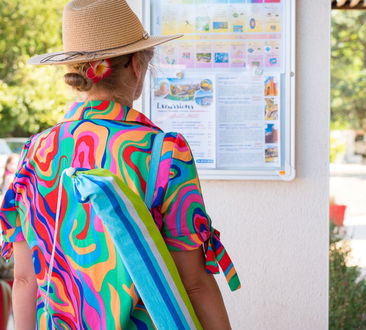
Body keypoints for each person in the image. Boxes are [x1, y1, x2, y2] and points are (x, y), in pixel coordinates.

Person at [0, 0, 238, 328]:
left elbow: (26, 281)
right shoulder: (163, 153)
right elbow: (193, 282)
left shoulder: (36, 154)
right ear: (138, 66)